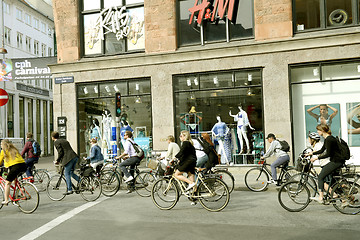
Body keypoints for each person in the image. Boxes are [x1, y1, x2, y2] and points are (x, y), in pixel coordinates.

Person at [307, 124, 344, 204]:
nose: (317, 132)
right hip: (335, 161)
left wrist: (316, 158)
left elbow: (328, 154)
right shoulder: (327, 139)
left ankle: (321, 197)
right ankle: (345, 198)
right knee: (333, 182)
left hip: (336, 162)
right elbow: (321, 150)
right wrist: (311, 153)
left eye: (318, 130)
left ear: (322, 130)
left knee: (320, 177)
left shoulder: (329, 139)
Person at [0, 139, 27, 205]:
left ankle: (6, 200)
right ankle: (21, 192)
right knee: (15, 180)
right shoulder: (14, 149)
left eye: (1, 144)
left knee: (7, 183)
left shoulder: (4, 151)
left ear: (3, 145)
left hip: (15, 167)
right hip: (23, 165)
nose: (0, 145)